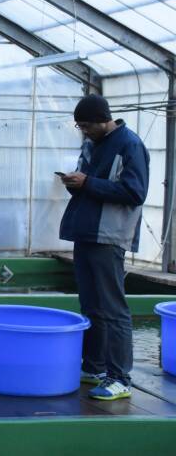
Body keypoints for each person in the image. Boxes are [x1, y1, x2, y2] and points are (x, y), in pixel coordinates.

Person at [59, 94, 149, 401]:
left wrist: (88, 183)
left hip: (109, 235)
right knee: (91, 305)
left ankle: (120, 377)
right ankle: (94, 366)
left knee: (113, 309)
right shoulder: (91, 144)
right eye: (80, 126)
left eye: (86, 125)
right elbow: (88, 182)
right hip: (85, 232)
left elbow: (135, 192)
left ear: (103, 119)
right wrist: (74, 183)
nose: (84, 131)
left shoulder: (129, 144)